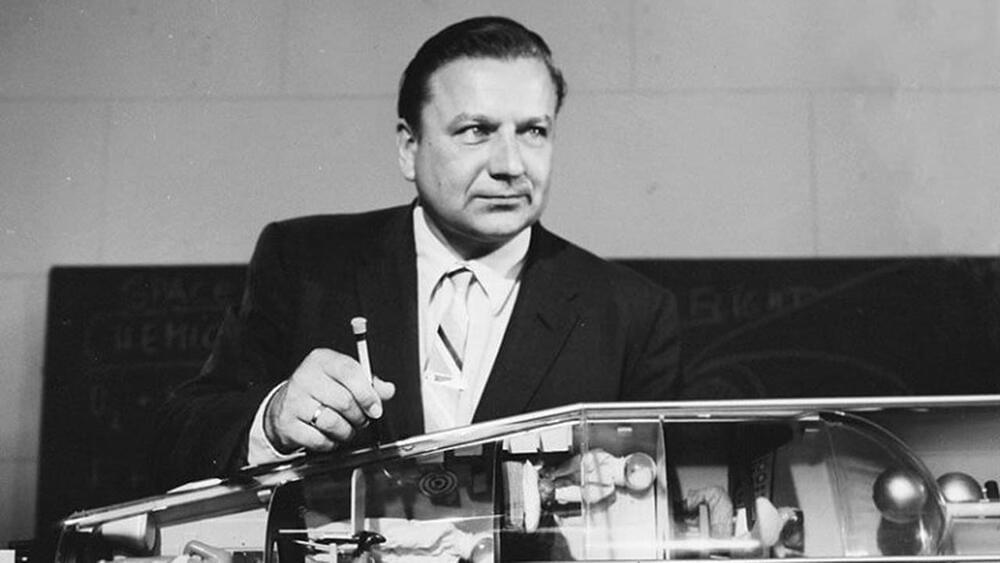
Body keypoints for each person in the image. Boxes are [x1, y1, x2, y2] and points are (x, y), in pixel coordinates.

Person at [153, 15, 682, 490]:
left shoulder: (632, 313)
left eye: (534, 131)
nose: (511, 165)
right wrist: (273, 418)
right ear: (409, 148)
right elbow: (180, 433)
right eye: (476, 131)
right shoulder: (304, 262)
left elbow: (661, 496)